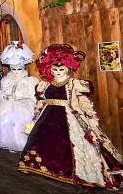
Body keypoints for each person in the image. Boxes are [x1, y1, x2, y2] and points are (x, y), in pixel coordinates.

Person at [18, 45, 123, 189]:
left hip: (69, 119)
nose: (58, 72)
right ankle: (45, 169)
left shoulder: (75, 84)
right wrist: (36, 115)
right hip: (46, 119)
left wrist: (91, 118)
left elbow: (85, 104)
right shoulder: (45, 85)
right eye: (55, 69)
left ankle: (70, 172)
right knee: (43, 144)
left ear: (69, 67)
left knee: (67, 146)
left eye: (61, 69)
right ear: (49, 68)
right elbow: (41, 102)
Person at [0, 42, 39, 152]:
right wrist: (0, 94)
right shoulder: (6, 80)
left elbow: (33, 95)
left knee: (19, 125)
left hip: (23, 105)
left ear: (23, 67)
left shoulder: (30, 81)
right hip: (8, 104)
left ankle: (18, 144)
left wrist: (33, 105)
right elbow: (4, 93)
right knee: (4, 123)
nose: (16, 71)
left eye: (19, 68)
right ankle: (7, 143)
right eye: (14, 69)